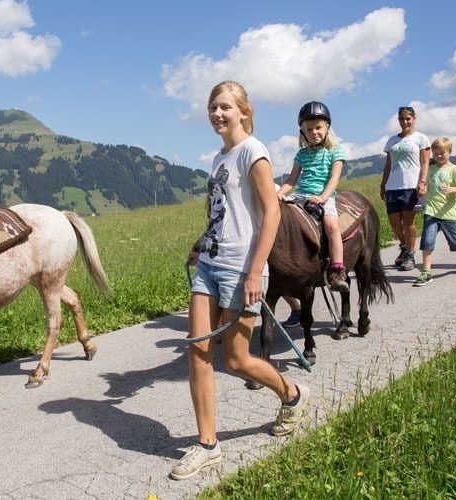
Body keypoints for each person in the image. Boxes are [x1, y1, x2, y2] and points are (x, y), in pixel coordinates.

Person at [173, 81, 309, 481]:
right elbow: (220, 212)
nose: (217, 114)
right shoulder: (218, 159)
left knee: (235, 360)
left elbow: (272, 213)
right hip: (210, 266)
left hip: (241, 268)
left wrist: (255, 271)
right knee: (196, 351)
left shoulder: (254, 151)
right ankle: (208, 446)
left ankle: (292, 396)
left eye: (225, 107)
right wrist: (201, 244)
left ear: (244, 111)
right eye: (213, 107)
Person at [276, 101, 348, 292]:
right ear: (303, 132)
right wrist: (279, 194)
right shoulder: (301, 154)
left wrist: (323, 197)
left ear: (327, 128)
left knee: (332, 225)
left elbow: (334, 177)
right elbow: (291, 180)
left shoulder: (335, 151)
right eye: (309, 129)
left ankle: (338, 269)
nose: (314, 132)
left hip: (324, 196)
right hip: (300, 195)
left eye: (318, 127)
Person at [413, 138, 456, 287]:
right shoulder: (431, 170)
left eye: (442, 153)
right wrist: (422, 190)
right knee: (427, 241)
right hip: (431, 211)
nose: (439, 156)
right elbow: (426, 186)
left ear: (449, 152)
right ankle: (426, 272)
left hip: (449, 213)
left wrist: (453, 189)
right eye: (436, 153)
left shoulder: (454, 169)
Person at [381, 106, 431, 272]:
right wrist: (383, 184)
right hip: (392, 187)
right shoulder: (392, 141)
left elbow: (425, 163)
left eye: (408, 118)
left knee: (408, 223)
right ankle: (405, 247)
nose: (405, 122)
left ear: (414, 119)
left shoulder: (421, 138)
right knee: (394, 223)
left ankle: (409, 255)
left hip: (411, 185)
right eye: (402, 119)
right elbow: (388, 164)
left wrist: (422, 182)